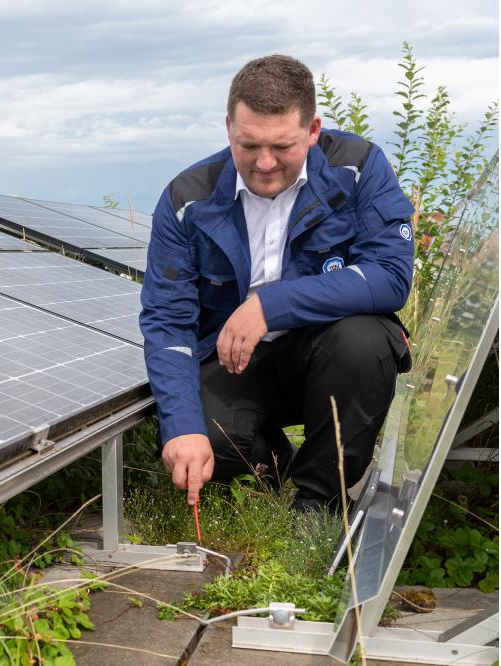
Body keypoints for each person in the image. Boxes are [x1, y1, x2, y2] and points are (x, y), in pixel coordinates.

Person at [140, 55, 414, 512]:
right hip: (235, 361)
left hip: (327, 351)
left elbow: (390, 276)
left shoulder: (359, 168)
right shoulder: (186, 199)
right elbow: (168, 320)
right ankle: (275, 465)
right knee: (210, 440)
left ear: (312, 130)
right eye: (248, 145)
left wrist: (272, 304)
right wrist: (183, 426)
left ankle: (320, 500)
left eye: (282, 147)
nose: (264, 164)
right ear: (229, 127)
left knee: (363, 342)